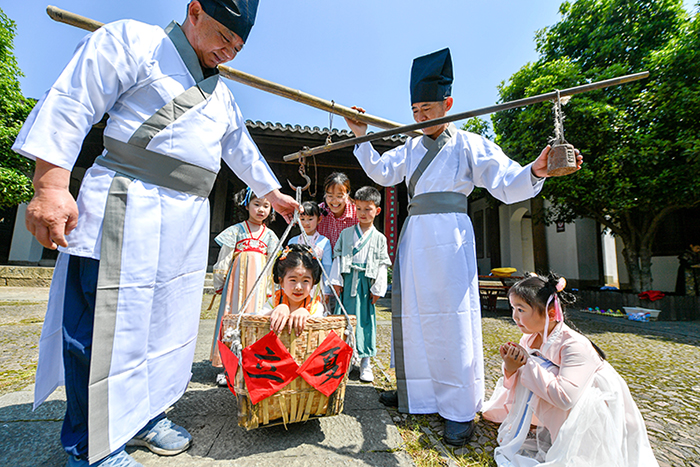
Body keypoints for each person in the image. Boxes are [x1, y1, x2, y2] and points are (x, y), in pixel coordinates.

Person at [12, 1, 299, 465]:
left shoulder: (221, 95)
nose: (229, 51)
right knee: (106, 329)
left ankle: (145, 417)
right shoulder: (133, 41)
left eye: (239, 46)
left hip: (185, 219)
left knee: (166, 328)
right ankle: (91, 446)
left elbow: (238, 146)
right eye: (225, 37)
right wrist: (50, 185)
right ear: (196, 10)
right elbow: (73, 100)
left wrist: (273, 192)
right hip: (127, 203)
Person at [343, 48, 583, 446]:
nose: (421, 116)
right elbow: (382, 171)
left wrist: (537, 169)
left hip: (452, 237)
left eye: (428, 108)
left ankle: (457, 409)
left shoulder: (470, 143)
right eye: (416, 109)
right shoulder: (410, 145)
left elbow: (506, 182)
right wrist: (360, 135)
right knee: (416, 314)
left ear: (448, 104)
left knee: (451, 320)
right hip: (416, 234)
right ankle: (417, 395)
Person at [481, 274, 658, 466]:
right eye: (513, 308)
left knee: (536, 368)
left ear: (549, 313)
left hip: (588, 400)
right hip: (557, 391)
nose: (514, 316)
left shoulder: (574, 345)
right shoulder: (530, 338)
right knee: (534, 368)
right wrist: (511, 365)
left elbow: (565, 397)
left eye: (521, 309)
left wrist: (527, 365)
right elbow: (525, 375)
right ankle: (539, 424)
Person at [210, 188, 279, 385]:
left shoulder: (271, 236)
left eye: (266, 206)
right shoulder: (236, 231)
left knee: (256, 320)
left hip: (259, 286)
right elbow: (224, 258)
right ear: (247, 205)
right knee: (232, 318)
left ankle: (252, 365)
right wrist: (220, 281)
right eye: (256, 204)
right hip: (236, 285)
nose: (261, 210)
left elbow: (273, 263)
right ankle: (228, 366)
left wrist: (271, 288)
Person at [329, 186, 390, 383]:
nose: (363, 213)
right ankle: (343, 360)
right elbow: (338, 257)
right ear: (354, 207)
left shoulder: (379, 238)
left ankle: (365, 362)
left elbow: (382, 263)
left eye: (368, 209)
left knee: (365, 322)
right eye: (359, 208)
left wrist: (378, 288)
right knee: (343, 321)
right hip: (347, 283)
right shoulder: (346, 234)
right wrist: (336, 281)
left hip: (366, 285)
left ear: (377, 211)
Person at [263, 244, 325, 336]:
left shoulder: (315, 307)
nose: (298, 287)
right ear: (281, 281)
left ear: (313, 283)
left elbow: (319, 324)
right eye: (293, 280)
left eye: (305, 281)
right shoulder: (275, 301)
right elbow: (258, 319)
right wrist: (277, 309)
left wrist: (306, 313)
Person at [288, 200, 333, 308]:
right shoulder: (293, 241)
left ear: (319, 219)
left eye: (310, 219)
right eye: (302, 219)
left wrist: (327, 291)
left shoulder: (324, 242)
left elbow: (328, 267)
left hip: (317, 284)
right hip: (297, 285)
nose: (306, 223)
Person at [317, 172, 358, 248]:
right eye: (330, 196)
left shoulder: (357, 213)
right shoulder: (318, 211)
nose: (335, 201)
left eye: (339, 196)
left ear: (347, 194)